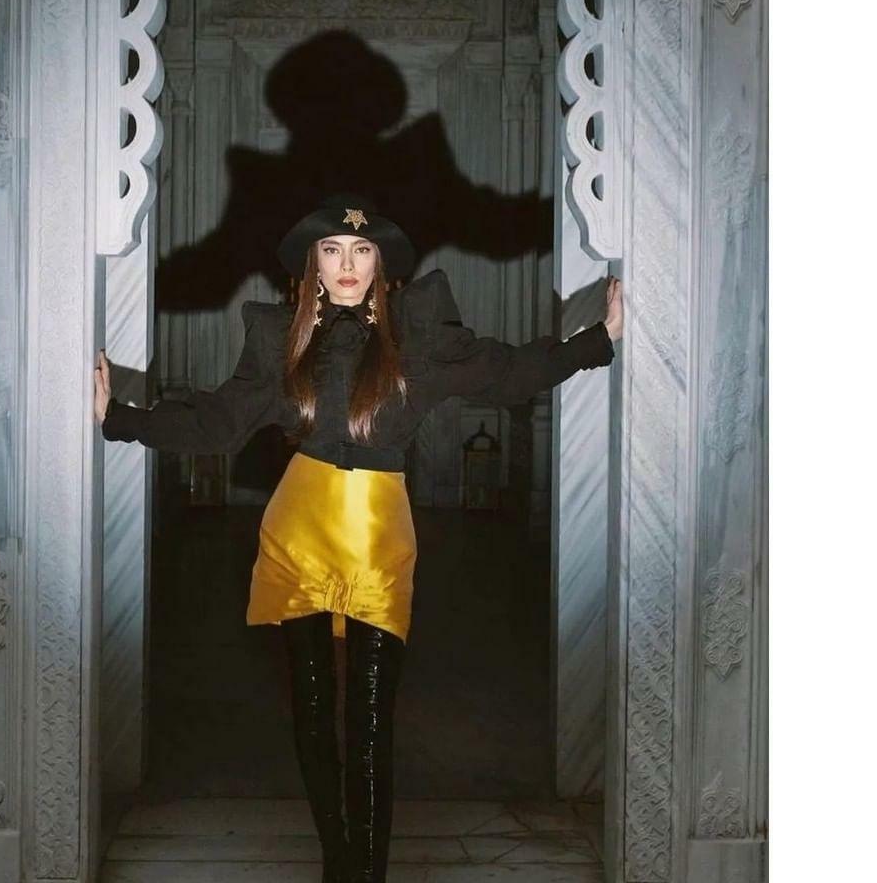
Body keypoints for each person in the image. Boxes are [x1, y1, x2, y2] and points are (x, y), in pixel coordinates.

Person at [93, 193, 623, 883]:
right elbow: (216, 424)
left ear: (381, 264)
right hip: (298, 532)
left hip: (377, 538)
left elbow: (508, 373)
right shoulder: (280, 338)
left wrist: (598, 340)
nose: (347, 264)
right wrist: (119, 418)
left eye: (362, 250)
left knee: (371, 722)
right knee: (313, 714)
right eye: (333, 250)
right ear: (313, 264)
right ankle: (337, 863)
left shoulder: (419, 337)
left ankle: (366, 873)